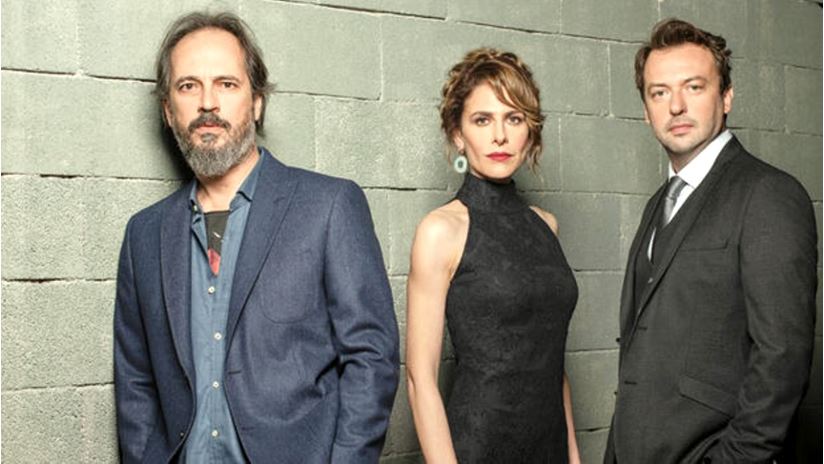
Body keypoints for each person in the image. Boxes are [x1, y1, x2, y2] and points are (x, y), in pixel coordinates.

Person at [113, 11, 399, 463]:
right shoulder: (143, 235)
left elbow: (372, 359)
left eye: (227, 84)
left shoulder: (328, 206)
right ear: (168, 110)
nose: (208, 103)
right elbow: (136, 380)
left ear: (257, 103)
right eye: (188, 86)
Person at [605, 18, 817, 463]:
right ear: (645, 110)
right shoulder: (658, 204)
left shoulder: (768, 194)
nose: (676, 106)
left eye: (694, 87)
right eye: (659, 93)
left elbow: (781, 358)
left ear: (726, 97)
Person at [406, 48, 581, 463]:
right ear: (457, 134)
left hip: (550, 449)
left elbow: (552, 365)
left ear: (530, 132)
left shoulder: (547, 226)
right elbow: (420, 380)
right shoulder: (441, 230)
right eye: (482, 120)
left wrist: (574, 457)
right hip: (477, 449)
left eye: (514, 119)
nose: (499, 136)